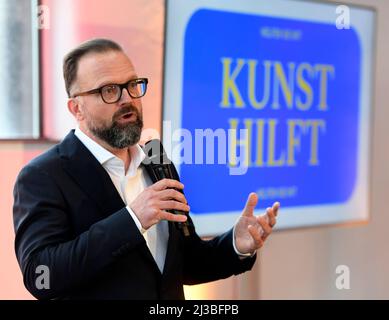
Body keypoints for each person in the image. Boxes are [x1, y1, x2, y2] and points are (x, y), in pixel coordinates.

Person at [13, 38, 280, 300]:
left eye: (132, 85)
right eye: (109, 90)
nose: (127, 99)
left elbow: (183, 263)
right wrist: (133, 219)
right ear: (76, 108)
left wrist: (236, 245)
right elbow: (41, 276)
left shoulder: (157, 159)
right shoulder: (44, 175)